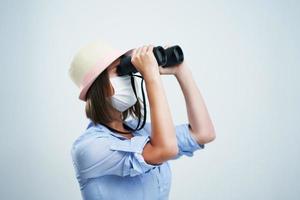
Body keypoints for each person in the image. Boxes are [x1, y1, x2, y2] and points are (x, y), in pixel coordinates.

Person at [68, 38, 216, 200]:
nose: (128, 76)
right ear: (98, 87)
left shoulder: (140, 131)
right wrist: (151, 76)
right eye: (119, 70)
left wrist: (182, 72)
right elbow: (165, 149)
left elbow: (203, 133)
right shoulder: (88, 148)